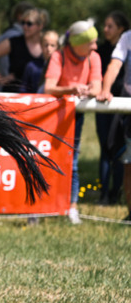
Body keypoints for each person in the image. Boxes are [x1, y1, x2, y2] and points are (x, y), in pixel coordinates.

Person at [44, 20, 102, 225]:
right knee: (46, 159)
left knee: (73, 162)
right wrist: (72, 89)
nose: (95, 46)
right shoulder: (58, 57)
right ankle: (43, 205)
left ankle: (72, 207)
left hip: (75, 117)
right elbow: (49, 87)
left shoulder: (94, 57)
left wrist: (87, 90)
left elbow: (97, 86)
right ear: (78, 43)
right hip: (53, 116)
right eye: (91, 43)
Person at [96, 14, 131, 219]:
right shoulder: (127, 38)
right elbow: (114, 65)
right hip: (126, 108)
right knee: (127, 163)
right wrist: (105, 89)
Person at [0, 7, 46, 92]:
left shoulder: (46, 44)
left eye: (29, 24)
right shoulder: (14, 42)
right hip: (13, 94)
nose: (25, 26)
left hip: (37, 95)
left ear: (40, 26)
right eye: (23, 23)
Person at [0, 1, 36, 89]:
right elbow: (6, 63)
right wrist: (2, 80)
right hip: (6, 88)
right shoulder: (15, 37)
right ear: (20, 16)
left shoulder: (8, 33)